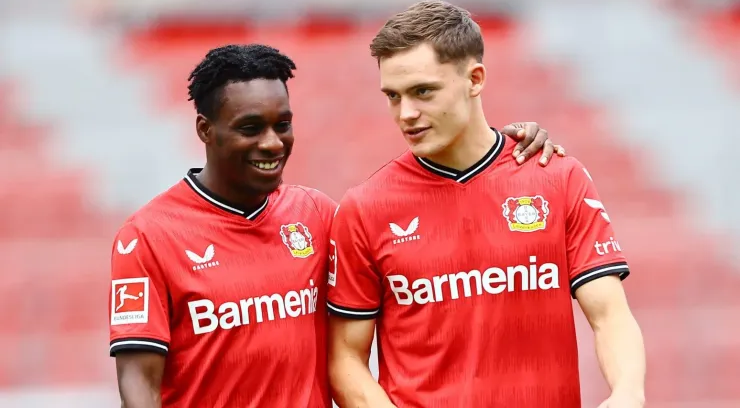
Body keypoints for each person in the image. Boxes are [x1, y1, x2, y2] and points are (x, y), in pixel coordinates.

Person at [108, 43, 563, 408]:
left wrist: (506, 147)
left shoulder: (320, 216)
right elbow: (138, 383)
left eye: (282, 124)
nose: (272, 142)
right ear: (205, 130)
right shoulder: (148, 235)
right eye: (250, 127)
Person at [326, 0, 645, 408]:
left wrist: (628, 393)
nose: (406, 113)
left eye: (423, 91)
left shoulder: (557, 177)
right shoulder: (365, 208)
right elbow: (345, 358)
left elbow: (610, 315)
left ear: (475, 78)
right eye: (393, 96)